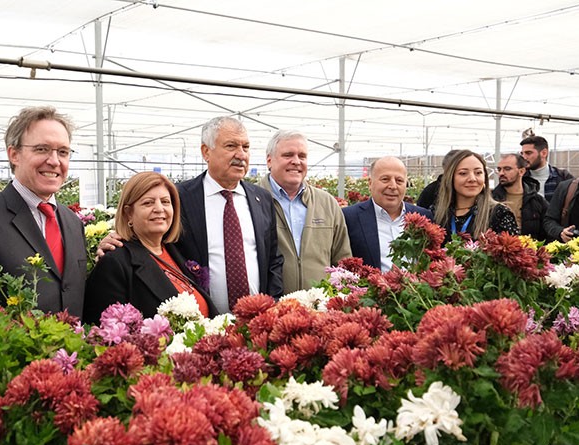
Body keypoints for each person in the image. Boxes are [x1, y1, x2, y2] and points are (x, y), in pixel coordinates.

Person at [99, 116, 283, 314]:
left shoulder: (261, 199)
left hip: (257, 320)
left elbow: (273, 259)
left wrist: (272, 304)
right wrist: (116, 240)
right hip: (200, 325)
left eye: (246, 147)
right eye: (231, 146)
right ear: (206, 151)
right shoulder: (178, 198)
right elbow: (151, 238)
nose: (241, 154)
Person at [0, 106, 86, 317]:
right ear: (14, 155)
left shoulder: (73, 223)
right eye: (42, 149)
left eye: (63, 152)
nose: (55, 161)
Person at [84, 172, 216, 322]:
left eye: (166, 202)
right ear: (128, 214)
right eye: (148, 203)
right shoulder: (116, 263)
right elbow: (106, 332)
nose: (159, 209)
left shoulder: (177, 251)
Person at [256, 130, 350, 294]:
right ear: (269, 161)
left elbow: (343, 260)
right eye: (288, 155)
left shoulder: (327, 203)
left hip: (321, 309)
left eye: (302, 156)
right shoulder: (253, 200)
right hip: (270, 309)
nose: (296, 161)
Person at [343, 156, 433, 271]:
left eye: (399, 180)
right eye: (385, 179)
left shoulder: (423, 217)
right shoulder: (349, 218)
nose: (393, 186)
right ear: (370, 183)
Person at [432, 150, 519, 241]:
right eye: (463, 173)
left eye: (478, 173)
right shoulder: (436, 213)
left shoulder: (500, 214)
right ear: (450, 178)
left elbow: (511, 251)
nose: (472, 179)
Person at [491, 153, 549, 240]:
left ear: (521, 171)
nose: (501, 173)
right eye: (499, 169)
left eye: (507, 169)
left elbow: (548, 230)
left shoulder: (537, 201)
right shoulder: (491, 200)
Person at [520, 135, 573, 203]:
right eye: (522, 153)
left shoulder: (563, 177)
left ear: (544, 153)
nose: (524, 157)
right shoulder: (520, 178)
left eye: (528, 153)